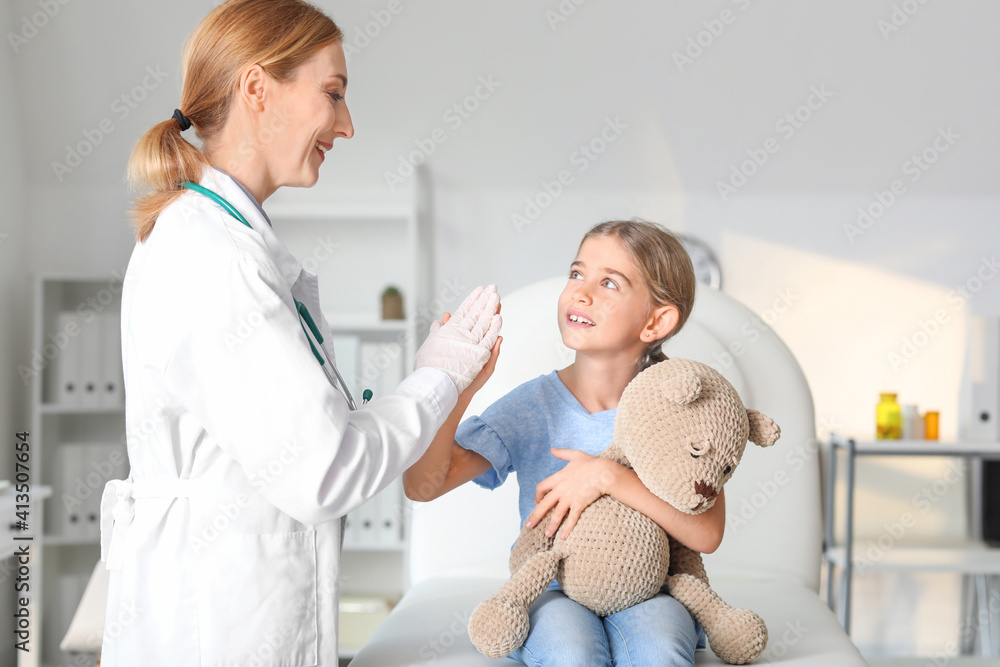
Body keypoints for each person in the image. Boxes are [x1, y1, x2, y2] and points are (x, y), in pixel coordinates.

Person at [99, 1, 501, 665]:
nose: (347, 125)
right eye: (333, 94)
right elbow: (322, 469)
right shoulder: (210, 255)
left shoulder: (232, 243)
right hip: (214, 630)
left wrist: (435, 379)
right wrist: (439, 378)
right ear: (257, 89)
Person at [404, 219, 722, 666]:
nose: (581, 292)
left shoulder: (680, 408)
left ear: (656, 320)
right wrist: (455, 391)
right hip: (551, 588)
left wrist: (607, 476)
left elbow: (706, 534)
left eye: (609, 283)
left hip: (651, 588)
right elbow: (422, 485)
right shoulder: (533, 406)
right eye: (577, 274)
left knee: (660, 651)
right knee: (569, 654)